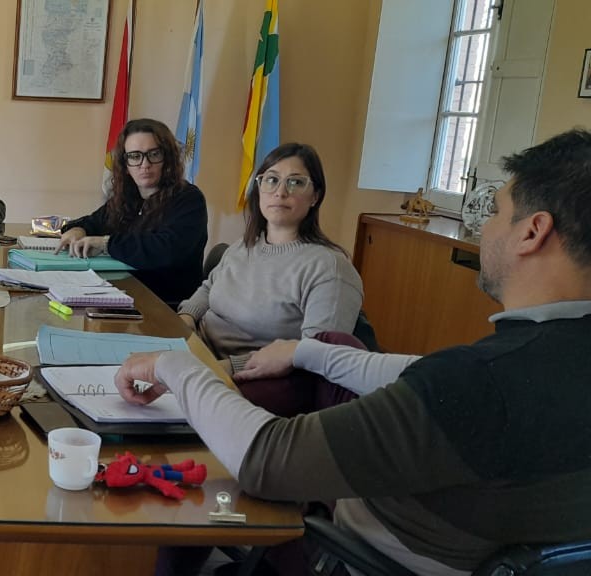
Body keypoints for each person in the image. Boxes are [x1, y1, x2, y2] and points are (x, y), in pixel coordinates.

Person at [117, 129, 591, 575]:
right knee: (335, 347)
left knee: (207, 472)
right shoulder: (541, 361)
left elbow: (267, 460)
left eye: (495, 213)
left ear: (533, 232)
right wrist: (310, 351)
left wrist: (175, 367)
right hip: (472, 526)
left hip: (354, 547)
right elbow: (422, 371)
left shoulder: (477, 381)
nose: (484, 229)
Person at [176, 143, 363, 415]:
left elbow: (313, 354)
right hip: (197, 350)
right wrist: (186, 319)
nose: (280, 192)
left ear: (315, 196)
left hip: (249, 380)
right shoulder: (244, 246)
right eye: (271, 180)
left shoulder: (330, 268)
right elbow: (209, 287)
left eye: (296, 182)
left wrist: (222, 367)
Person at [57, 119, 208, 304]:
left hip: (166, 304)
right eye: (135, 156)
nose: (145, 164)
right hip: (121, 293)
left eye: (154, 154)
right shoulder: (128, 197)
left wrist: (106, 243)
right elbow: (93, 222)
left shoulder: (189, 199)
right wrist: (77, 230)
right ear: (126, 165)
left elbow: (165, 249)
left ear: (167, 159)